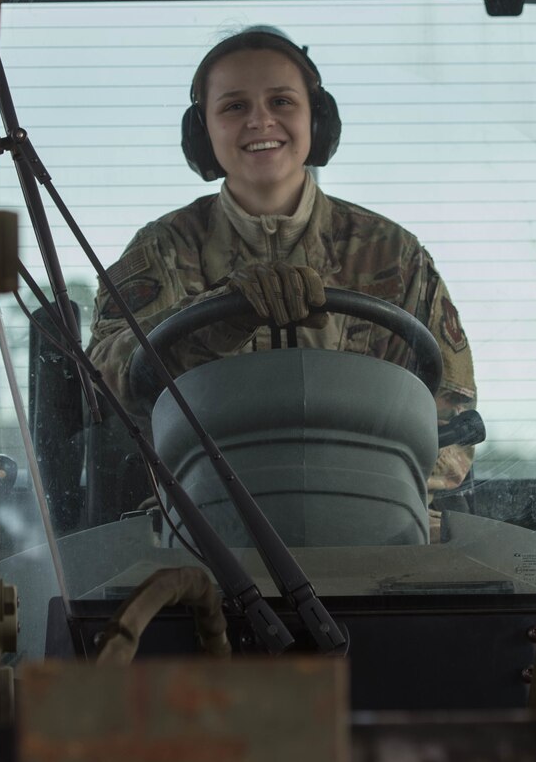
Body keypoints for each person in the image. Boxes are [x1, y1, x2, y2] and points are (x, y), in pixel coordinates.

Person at [86, 26, 478, 499]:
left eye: (282, 102)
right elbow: (104, 381)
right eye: (234, 107)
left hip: (375, 525)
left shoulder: (394, 253)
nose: (260, 121)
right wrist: (218, 316)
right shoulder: (160, 251)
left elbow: (449, 423)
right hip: (202, 526)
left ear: (318, 122)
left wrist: (369, 490)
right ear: (202, 132)